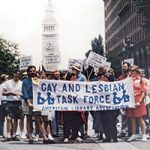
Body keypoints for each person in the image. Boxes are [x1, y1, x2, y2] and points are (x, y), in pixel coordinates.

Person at [22, 66, 52, 144]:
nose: (33, 72)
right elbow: (25, 92)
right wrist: (28, 102)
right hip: (28, 100)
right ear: (28, 72)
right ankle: (30, 137)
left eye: (34, 71)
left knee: (39, 119)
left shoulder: (36, 80)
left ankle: (45, 137)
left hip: (36, 100)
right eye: (31, 71)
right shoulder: (25, 81)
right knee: (29, 119)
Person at [127, 66, 148, 142]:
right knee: (132, 118)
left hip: (138, 100)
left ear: (137, 71)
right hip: (130, 101)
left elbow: (144, 92)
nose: (132, 72)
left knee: (140, 118)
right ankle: (134, 134)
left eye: (133, 71)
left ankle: (144, 134)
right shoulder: (128, 80)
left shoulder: (141, 80)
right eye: (131, 70)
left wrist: (139, 101)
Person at [2, 70, 23, 141]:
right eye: (16, 74)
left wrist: (20, 95)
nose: (17, 75)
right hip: (9, 102)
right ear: (13, 74)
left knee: (16, 119)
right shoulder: (8, 82)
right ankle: (8, 135)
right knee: (8, 118)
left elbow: (23, 93)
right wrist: (10, 92)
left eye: (19, 74)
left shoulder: (21, 83)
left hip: (18, 102)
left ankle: (14, 134)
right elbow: (3, 93)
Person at [63, 71, 83, 143]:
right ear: (69, 77)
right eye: (73, 76)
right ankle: (66, 136)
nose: (75, 77)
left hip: (76, 107)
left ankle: (76, 135)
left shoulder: (79, 84)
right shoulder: (64, 84)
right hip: (67, 107)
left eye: (75, 76)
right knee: (67, 122)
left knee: (76, 122)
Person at [0, 74, 9, 138]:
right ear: (5, 79)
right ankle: (10, 133)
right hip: (6, 102)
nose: (8, 79)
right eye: (7, 78)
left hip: (1, 103)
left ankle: (1, 133)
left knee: (1, 119)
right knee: (9, 118)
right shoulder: (6, 86)